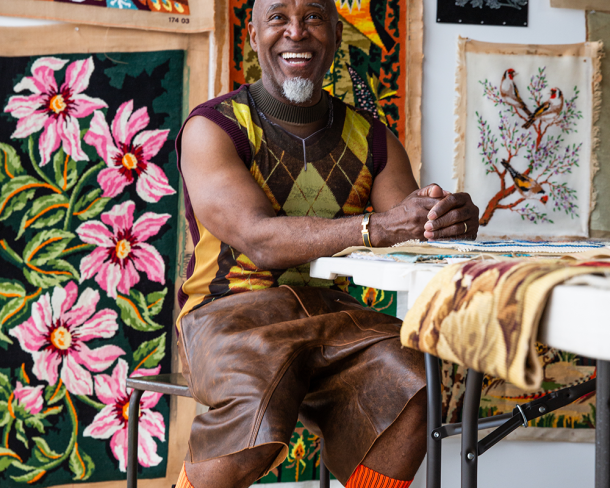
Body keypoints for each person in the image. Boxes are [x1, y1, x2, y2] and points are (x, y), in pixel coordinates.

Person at [173, 0, 479, 486]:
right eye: (278, 18)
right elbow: (260, 239)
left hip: (330, 317)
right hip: (223, 314)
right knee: (258, 396)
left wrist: (445, 220)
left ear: (336, 35)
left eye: (313, 17)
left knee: (419, 381)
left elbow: (409, 230)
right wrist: (376, 226)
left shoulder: (373, 138)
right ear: (254, 36)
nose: (297, 32)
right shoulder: (214, 127)